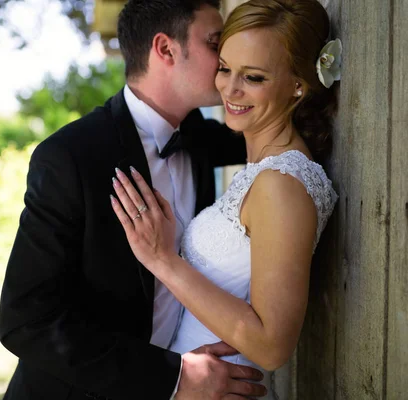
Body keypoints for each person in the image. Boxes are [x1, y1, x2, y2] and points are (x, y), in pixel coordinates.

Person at [0, 0, 269, 399]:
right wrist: (174, 379)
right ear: (165, 49)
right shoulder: (70, 157)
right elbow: (26, 321)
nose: (226, 58)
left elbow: (274, 120)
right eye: (216, 43)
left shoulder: (198, 133)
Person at [110, 0, 340, 398]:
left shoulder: (281, 184)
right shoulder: (261, 171)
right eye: (224, 68)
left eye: (252, 77)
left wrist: (163, 260)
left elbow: (271, 346)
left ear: (299, 84)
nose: (230, 90)